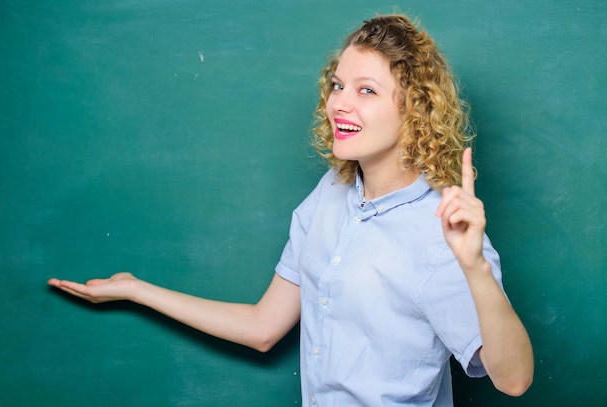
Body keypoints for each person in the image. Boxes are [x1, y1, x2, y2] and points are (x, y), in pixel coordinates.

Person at [48, 14, 533, 406]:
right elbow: (263, 327)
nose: (339, 104)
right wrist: (136, 290)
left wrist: (473, 267)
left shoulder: (444, 232)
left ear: (415, 111)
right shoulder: (329, 194)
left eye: (366, 90)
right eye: (338, 85)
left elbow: (513, 379)